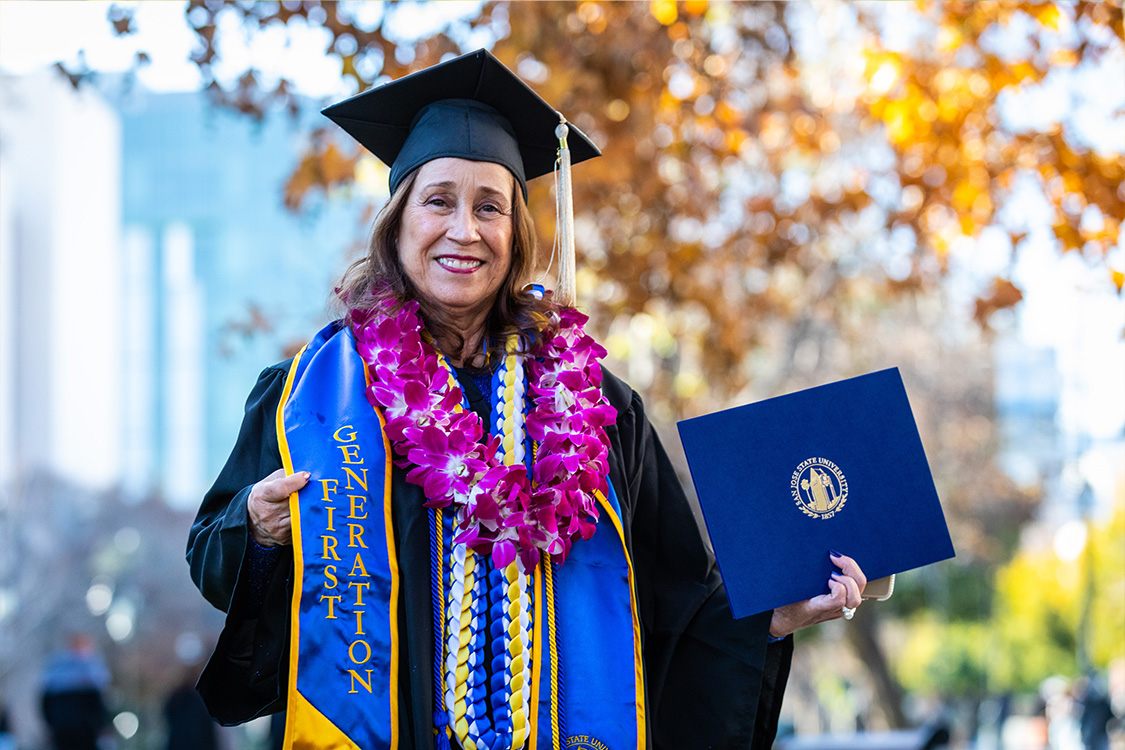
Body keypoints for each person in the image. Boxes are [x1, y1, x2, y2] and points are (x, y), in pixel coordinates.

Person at [187, 49, 866, 750]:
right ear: (397, 220)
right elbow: (212, 560)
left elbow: (677, 605)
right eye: (438, 201)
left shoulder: (597, 411)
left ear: (516, 237)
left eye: (490, 208)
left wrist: (772, 616)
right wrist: (258, 526)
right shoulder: (307, 398)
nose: (464, 230)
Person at [39, 632, 110, 750]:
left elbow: (45, 705)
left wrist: (51, 726)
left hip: (63, 730)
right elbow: (98, 705)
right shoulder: (92, 673)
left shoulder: (53, 673)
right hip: (85, 730)